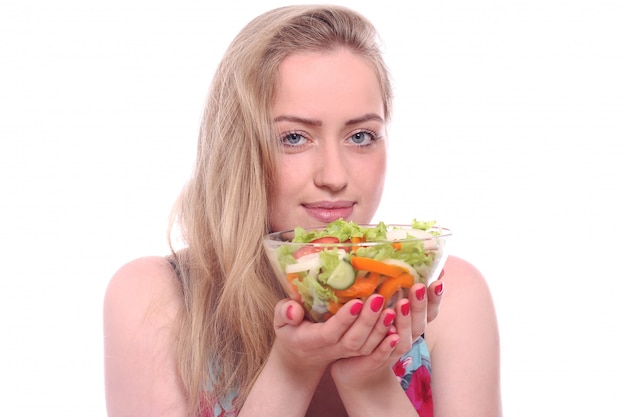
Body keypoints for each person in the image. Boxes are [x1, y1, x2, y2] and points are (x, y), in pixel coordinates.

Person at [103, 4, 501, 417]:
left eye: (361, 135)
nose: (334, 175)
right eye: (294, 137)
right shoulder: (157, 297)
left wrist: (368, 380)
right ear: (239, 151)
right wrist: (292, 370)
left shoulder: (452, 295)